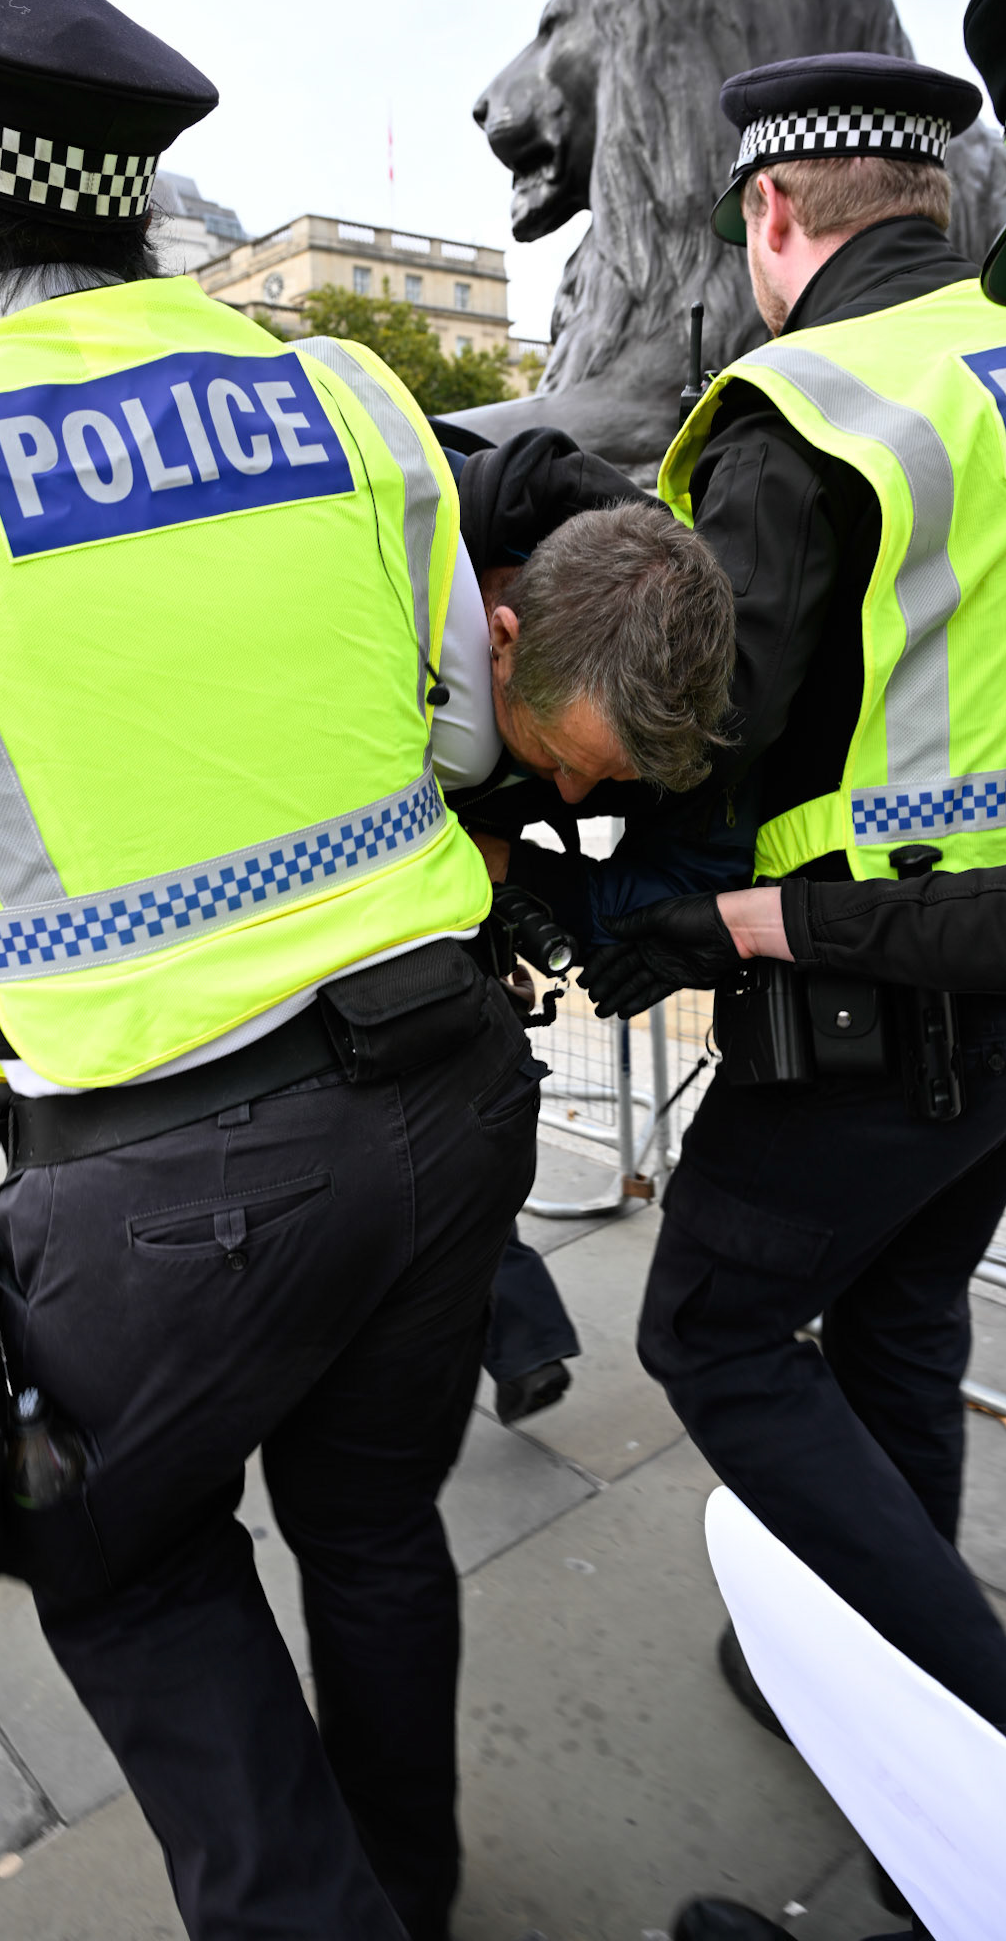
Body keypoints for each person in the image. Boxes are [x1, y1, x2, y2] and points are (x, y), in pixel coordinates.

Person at [0, 0, 739, 1941]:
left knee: (122, 1559)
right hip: (450, 1089)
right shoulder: (352, 398)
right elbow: (457, 726)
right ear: (134, 203)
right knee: (372, 1535)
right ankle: (412, 1884)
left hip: (157, 1178)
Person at [573, 46, 1006, 1744]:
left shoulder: (808, 408)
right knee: (903, 1320)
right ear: (930, 198)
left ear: (771, 210)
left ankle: (991, 1742)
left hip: (874, 993)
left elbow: (709, 727)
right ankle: (863, 1674)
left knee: (711, 1330)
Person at [438, 425, 750, 1423]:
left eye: (612, 780)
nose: (572, 795)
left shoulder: (680, 660)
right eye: (559, 753)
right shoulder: (376, 558)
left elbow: (690, 879)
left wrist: (522, 871)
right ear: (500, 635)